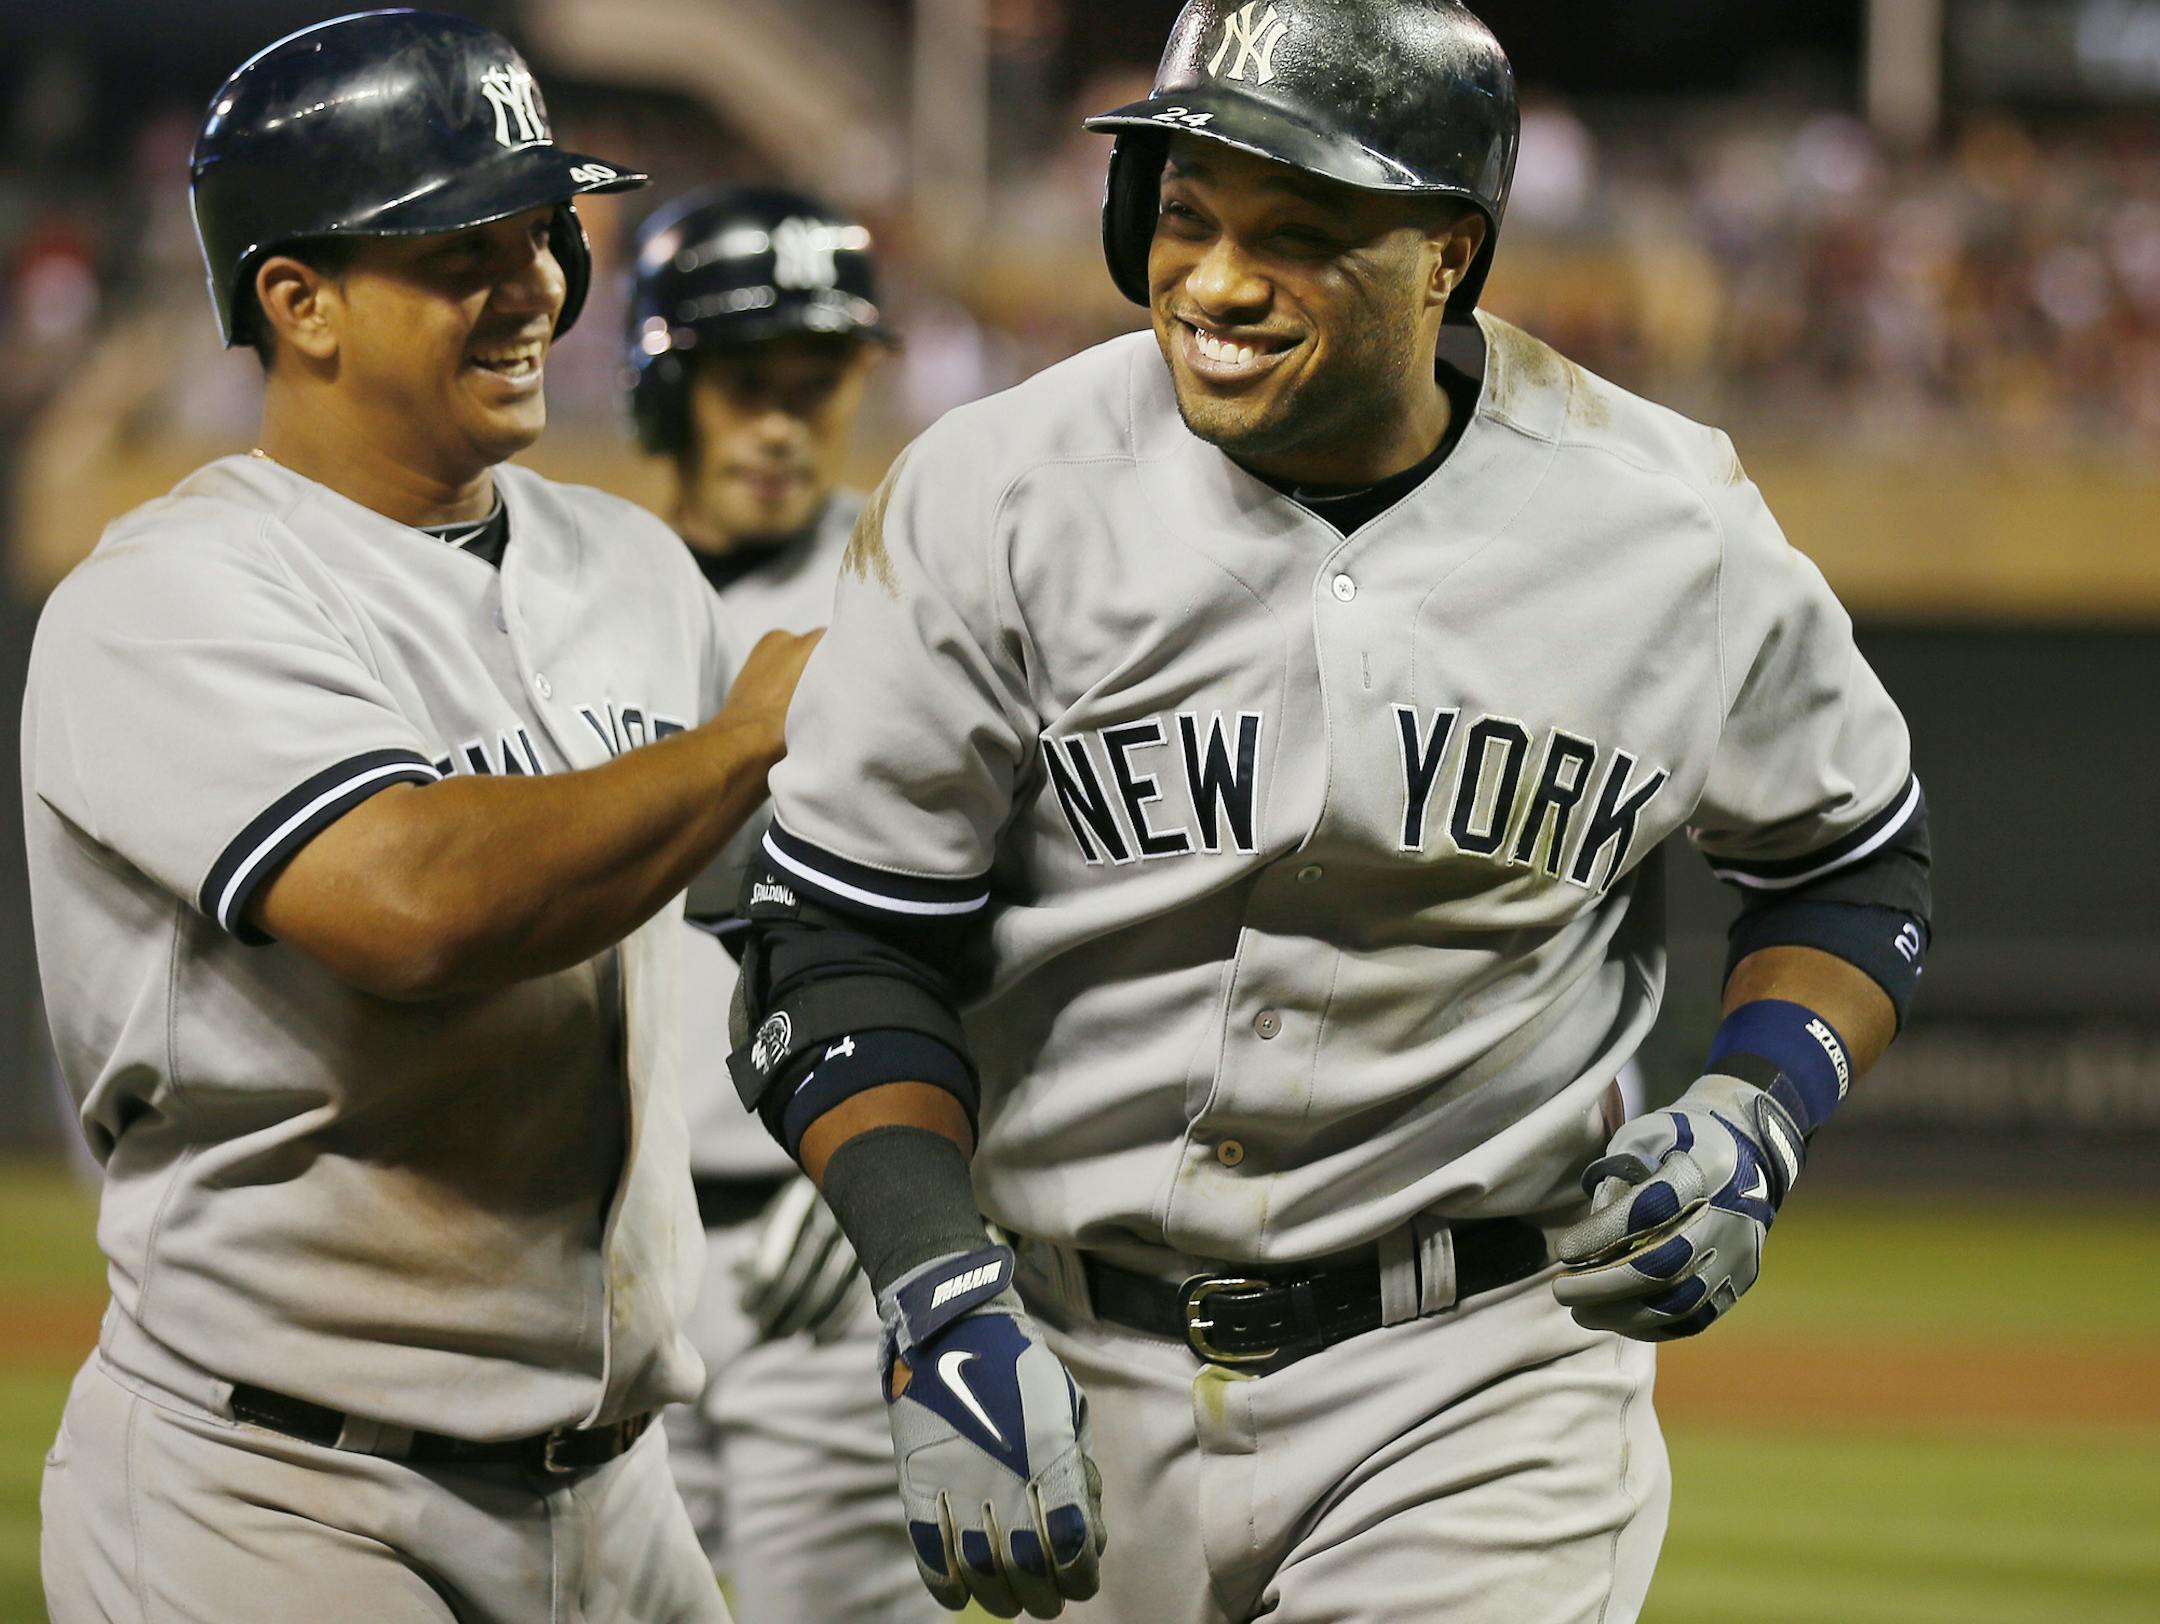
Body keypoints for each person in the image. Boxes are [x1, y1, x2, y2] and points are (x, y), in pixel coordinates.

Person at [722, 2, 1934, 1621]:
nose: (1218, 282)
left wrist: (1760, 1107)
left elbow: (1850, 861)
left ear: (1448, 255)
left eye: (1296, 233)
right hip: (1069, 1354)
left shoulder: (1667, 525)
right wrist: (936, 1288)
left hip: (1481, 1376)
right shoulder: (1000, 494)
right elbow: (837, 940)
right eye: (1187, 216)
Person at [25, 13, 814, 1622]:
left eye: (544, 235)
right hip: (285, 1492)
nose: (533, 288)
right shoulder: (168, 595)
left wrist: (914, 1217)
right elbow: (416, 906)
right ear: (296, 300)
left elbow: (773, 898)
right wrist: (750, 737)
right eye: (463, 251)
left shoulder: (632, 567)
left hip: (618, 1490)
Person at [625, 184, 939, 1623]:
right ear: (666, 385)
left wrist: (926, 1170)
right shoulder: (577, 595)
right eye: (746, 382)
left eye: (818, 383)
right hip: (610, 1250)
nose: (781, 424)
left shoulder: (917, 593)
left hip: (825, 1247)